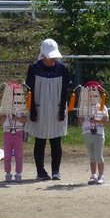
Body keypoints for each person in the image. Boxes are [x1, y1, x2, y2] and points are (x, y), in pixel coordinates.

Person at [24, 38, 71, 181]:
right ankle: (41, 172)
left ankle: (56, 171)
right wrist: (33, 110)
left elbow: (64, 91)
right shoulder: (34, 68)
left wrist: (62, 109)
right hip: (39, 108)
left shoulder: (62, 68)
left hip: (56, 109)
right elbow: (29, 91)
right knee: (40, 141)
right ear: (43, 55)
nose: (53, 59)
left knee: (56, 141)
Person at [0, 82, 27, 183]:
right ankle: (8, 173)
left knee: (19, 155)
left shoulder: (21, 109)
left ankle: (18, 173)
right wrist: (3, 118)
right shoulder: (4, 109)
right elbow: (0, 122)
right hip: (7, 133)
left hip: (18, 133)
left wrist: (16, 118)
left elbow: (25, 120)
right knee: (7, 155)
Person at [80, 81, 110, 185]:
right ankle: (93, 175)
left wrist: (96, 121)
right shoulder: (84, 108)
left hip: (98, 134)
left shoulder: (102, 107)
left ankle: (101, 175)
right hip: (88, 133)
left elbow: (106, 121)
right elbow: (82, 121)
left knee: (99, 155)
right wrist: (82, 120)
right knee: (92, 156)